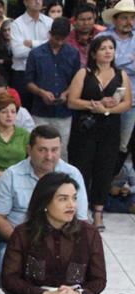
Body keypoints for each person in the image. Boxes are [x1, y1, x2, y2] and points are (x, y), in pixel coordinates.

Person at [0, 125, 89, 272]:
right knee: (5, 259)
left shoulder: (73, 174)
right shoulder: (11, 175)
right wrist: (21, 241)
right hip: (20, 243)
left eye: (54, 150)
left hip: (62, 244)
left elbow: (80, 219)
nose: (49, 156)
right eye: (42, 150)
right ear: (29, 150)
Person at [67, 34, 132, 230]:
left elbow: (127, 103)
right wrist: (92, 105)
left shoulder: (121, 74)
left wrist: (108, 109)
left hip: (110, 129)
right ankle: (79, 212)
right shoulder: (83, 73)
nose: (107, 52)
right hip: (85, 129)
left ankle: (98, 213)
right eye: (103, 48)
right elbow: (72, 101)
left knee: (104, 170)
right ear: (94, 53)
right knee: (82, 168)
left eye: (111, 48)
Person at [25, 17, 79, 160]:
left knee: (61, 150)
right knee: (38, 148)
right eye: (56, 38)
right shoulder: (36, 54)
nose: (59, 42)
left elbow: (77, 80)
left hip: (63, 111)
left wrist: (66, 93)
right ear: (50, 34)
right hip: (40, 110)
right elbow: (28, 82)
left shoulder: (73, 54)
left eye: (63, 39)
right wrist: (41, 92)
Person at [99, 0, 135, 180]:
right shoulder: (104, 37)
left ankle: (114, 181)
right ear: (115, 19)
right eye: (125, 18)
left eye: (132, 18)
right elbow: (106, 65)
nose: (129, 22)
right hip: (106, 98)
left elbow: (115, 64)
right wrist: (130, 61)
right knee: (105, 142)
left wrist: (119, 63)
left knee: (123, 145)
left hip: (132, 101)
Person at [11, 0, 54, 111]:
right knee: (24, 111)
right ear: (25, 2)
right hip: (22, 74)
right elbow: (17, 51)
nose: (37, 1)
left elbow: (53, 47)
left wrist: (33, 43)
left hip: (44, 73)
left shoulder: (50, 22)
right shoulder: (17, 24)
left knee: (43, 112)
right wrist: (44, 44)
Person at [66, 3, 103, 67]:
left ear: (94, 19)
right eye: (82, 20)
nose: (86, 23)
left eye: (89, 19)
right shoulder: (68, 39)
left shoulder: (102, 36)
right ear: (75, 21)